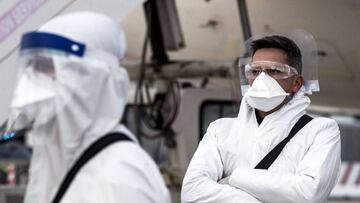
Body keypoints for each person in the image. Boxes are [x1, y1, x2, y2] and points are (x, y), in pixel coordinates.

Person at [6, 11, 170, 203]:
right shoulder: (56, 161)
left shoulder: (120, 177)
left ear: (89, 76)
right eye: (33, 67)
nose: (35, 80)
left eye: (46, 66)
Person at [181, 34, 341, 203]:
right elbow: (192, 192)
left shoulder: (321, 130)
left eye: (274, 71)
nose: (261, 79)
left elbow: (308, 194)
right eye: (255, 71)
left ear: (297, 83)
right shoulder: (220, 130)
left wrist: (234, 178)